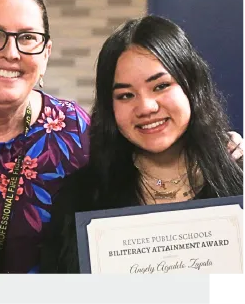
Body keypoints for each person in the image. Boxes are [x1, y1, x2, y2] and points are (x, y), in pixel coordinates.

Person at [0, 0, 244, 274]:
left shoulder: (72, 131)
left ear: (46, 53)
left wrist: (226, 154)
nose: (11, 52)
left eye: (27, 38)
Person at [39, 15, 245, 273]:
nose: (146, 107)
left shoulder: (238, 178)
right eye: (126, 95)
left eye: (160, 86)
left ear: (191, 86)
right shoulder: (81, 198)